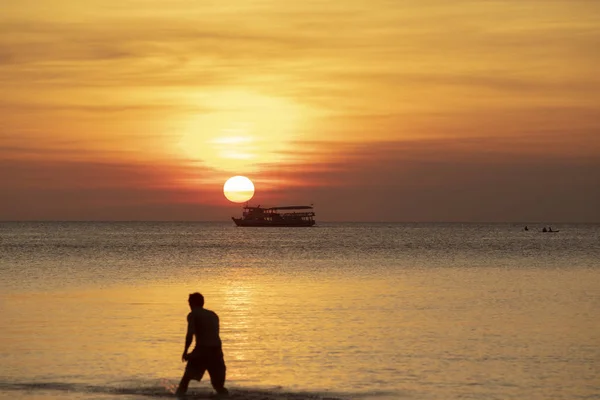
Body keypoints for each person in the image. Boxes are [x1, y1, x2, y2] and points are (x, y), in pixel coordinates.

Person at [176, 292, 228, 397]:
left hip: (202, 350)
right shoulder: (213, 315)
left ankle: (179, 397)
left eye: (189, 302)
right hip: (217, 351)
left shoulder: (193, 314)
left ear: (193, 303)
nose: (189, 305)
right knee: (218, 387)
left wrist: (185, 352)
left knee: (185, 380)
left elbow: (190, 334)